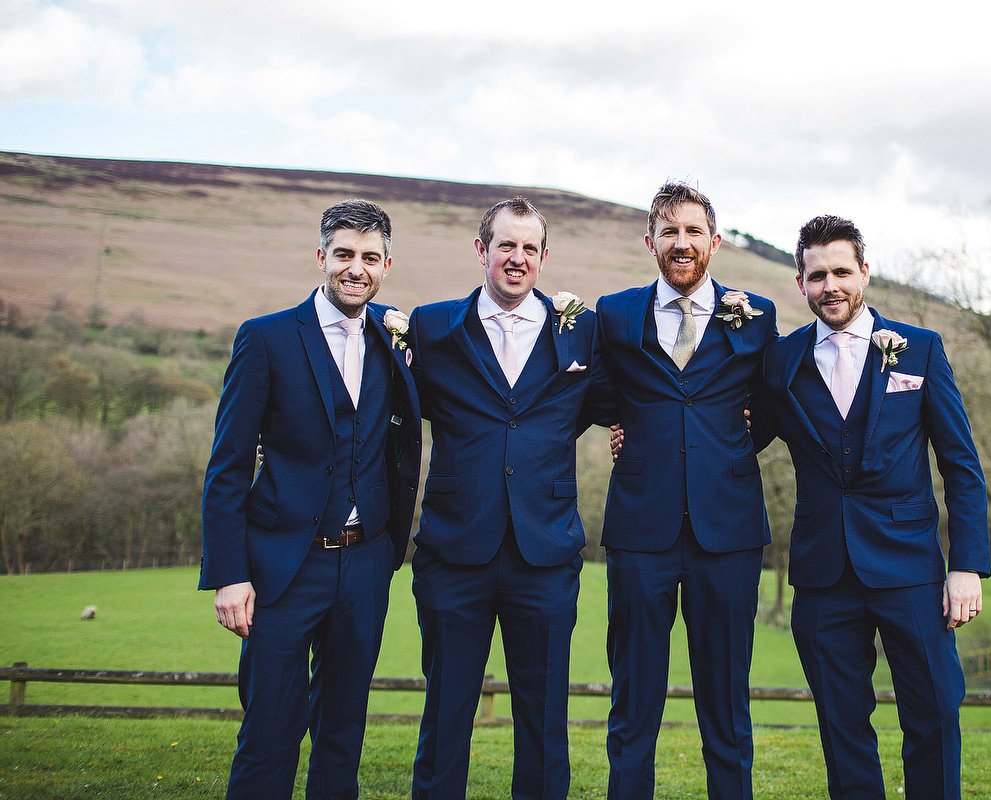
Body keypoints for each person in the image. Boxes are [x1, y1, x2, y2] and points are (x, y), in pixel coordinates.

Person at [762, 214, 990, 799]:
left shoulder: (919, 350)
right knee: (842, 728)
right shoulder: (782, 362)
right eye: (817, 276)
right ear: (800, 283)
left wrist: (966, 566)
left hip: (909, 567)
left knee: (935, 711)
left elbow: (960, 465)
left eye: (841, 271)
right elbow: (732, 428)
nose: (830, 285)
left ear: (865, 271)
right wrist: (629, 426)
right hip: (821, 574)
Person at [200, 199, 422, 799]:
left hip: (365, 564)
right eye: (344, 254)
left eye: (370, 258)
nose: (357, 268)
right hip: (280, 568)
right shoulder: (266, 338)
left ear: (386, 264)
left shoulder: (395, 337)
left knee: (342, 735)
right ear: (320, 256)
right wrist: (229, 574)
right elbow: (227, 465)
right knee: (269, 733)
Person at [405, 197, 614, 800]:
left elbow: (617, 402)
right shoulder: (433, 327)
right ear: (482, 251)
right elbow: (384, 406)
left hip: (544, 554)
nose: (517, 258)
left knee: (545, 722)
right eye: (506, 245)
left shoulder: (582, 332)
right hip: (453, 549)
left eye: (529, 248)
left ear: (544, 257)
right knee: (445, 717)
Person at [595, 181, 777, 800]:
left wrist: (733, 443)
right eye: (669, 232)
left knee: (727, 705)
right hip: (640, 531)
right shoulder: (615, 314)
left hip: (727, 534)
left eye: (694, 231)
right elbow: (595, 394)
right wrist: (625, 425)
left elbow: (774, 405)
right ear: (650, 243)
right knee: (633, 703)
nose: (682, 243)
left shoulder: (755, 319)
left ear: (715, 242)